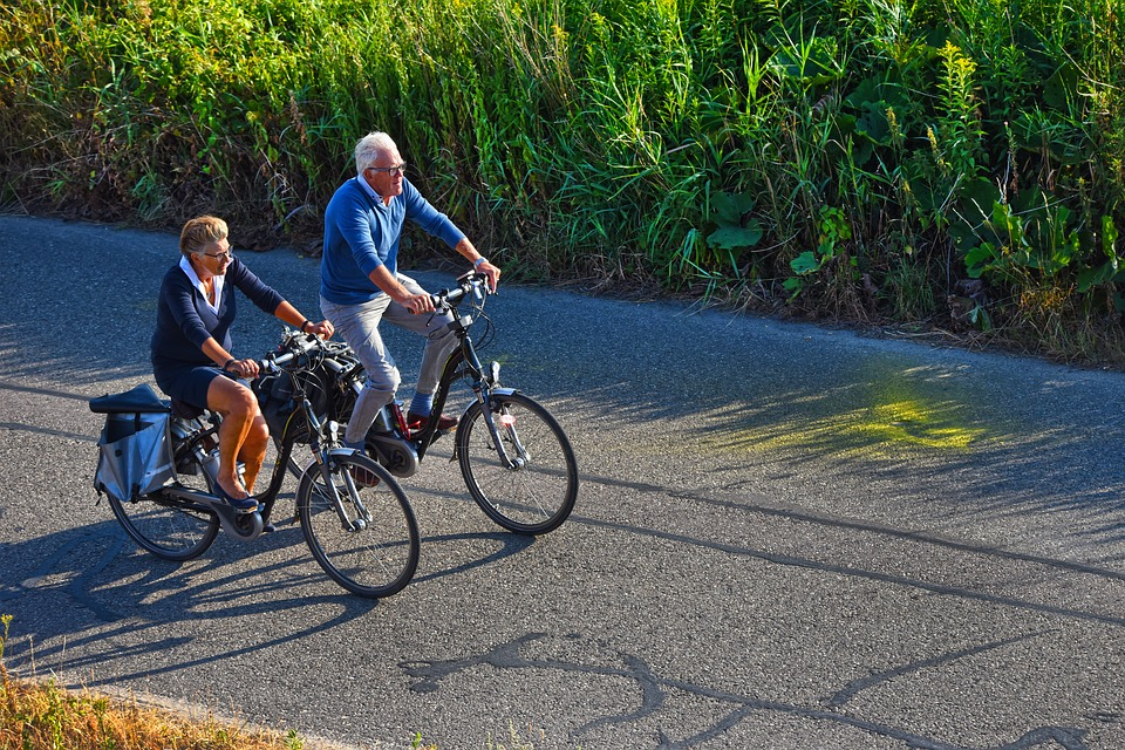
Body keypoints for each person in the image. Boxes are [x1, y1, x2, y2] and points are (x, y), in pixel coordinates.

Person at [320, 131, 501, 450]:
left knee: (448, 327)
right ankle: (349, 450)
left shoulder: (399, 188)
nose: (400, 174)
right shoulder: (348, 203)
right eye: (392, 169)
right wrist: (404, 296)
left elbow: (437, 221)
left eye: (401, 166)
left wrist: (479, 259)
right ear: (369, 175)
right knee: (385, 380)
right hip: (348, 303)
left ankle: (420, 410)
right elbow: (367, 259)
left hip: (388, 284)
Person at [151, 216, 334, 512]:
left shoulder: (228, 267)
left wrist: (306, 325)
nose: (227, 258)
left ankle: (242, 506)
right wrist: (232, 362)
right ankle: (226, 478)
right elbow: (194, 330)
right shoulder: (176, 282)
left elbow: (265, 295)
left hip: (219, 366)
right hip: (180, 369)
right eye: (218, 254)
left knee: (260, 434)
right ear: (195, 257)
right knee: (243, 399)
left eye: (228, 250)